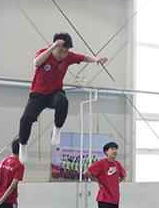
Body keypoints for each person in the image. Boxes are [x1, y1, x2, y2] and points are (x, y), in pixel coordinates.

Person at [19, 32, 107, 162]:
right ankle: (23, 145)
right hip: (38, 94)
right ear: (54, 47)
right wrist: (52, 47)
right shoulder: (45, 53)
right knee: (26, 119)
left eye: (65, 52)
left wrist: (96, 60)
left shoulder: (69, 56)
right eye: (60, 51)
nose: (62, 55)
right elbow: (37, 63)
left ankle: (57, 129)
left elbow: (83, 58)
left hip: (54, 93)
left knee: (63, 101)